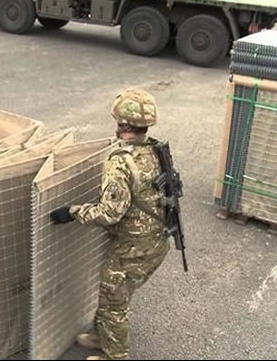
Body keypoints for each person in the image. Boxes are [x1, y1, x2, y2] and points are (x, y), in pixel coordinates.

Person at [50, 89, 171, 360]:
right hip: (156, 242)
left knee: (115, 303)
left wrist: (72, 212)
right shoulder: (155, 149)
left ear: (122, 124)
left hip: (133, 248)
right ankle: (98, 335)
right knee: (111, 294)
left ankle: (115, 356)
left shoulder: (121, 161)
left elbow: (109, 213)